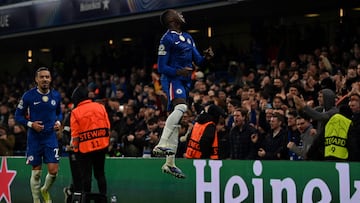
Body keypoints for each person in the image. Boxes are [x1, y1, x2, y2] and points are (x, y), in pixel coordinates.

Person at [152, 8, 214, 178]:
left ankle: (170, 164)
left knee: (177, 119)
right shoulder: (166, 39)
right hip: (173, 80)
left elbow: (198, 61)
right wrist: (179, 73)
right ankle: (161, 143)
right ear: (171, 20)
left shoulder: (188, 37)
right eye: (177, 13)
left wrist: (206, 57)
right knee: (181, 108)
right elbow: (162, 67)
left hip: (185, 81)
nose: (181, 14)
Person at [14, 67, 63, 203]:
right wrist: (31, 124)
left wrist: (58, 121)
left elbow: (59, 112)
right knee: (36, 172)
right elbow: (18, 115)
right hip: (34, 138)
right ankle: (36, 200)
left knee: (53, 171)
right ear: (36, 80)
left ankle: (44, 190)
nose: (45, 79)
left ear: (50, 79)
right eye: (41, 77)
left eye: (47, 77)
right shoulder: (28, 96)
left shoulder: (56, 96)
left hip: (50, 137)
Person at [70, 85, 110, 199]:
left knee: (86, 177)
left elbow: (75, 135)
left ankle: (85, 200)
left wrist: (75, 150)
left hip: (85, 149)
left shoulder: (75, 112)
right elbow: (107, 127)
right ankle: (103, 198)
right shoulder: (100, 107)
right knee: (100, 174)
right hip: (101, 146)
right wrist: (105, 143)